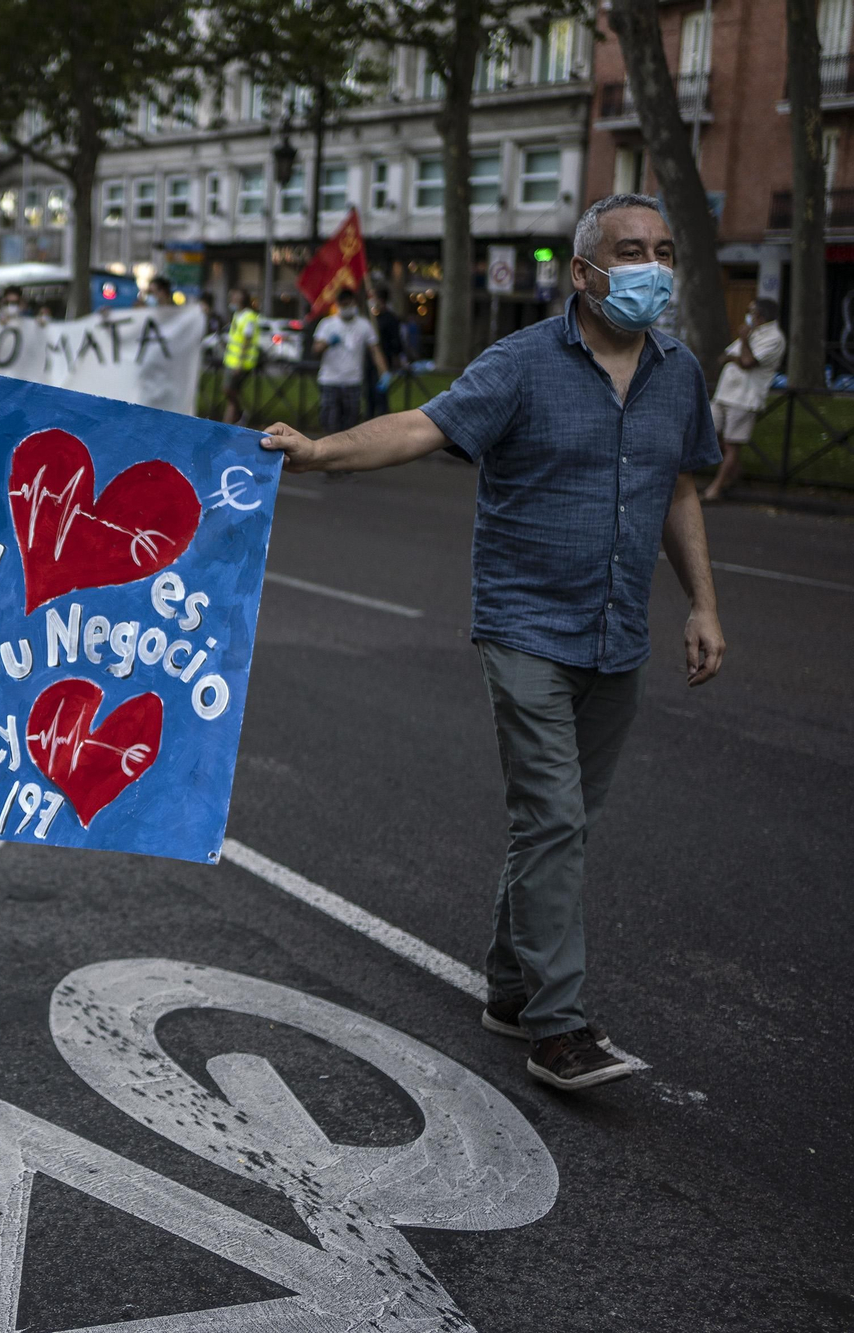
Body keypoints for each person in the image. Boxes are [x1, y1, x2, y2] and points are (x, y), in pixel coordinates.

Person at [259, 193, 725, 1093]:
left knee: (563, 822)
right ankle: (558, 1026)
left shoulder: (680, 372)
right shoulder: (521, 365)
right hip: (526, 628)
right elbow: (420, 427)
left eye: (663, 250)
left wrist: (702, 605)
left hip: (618, 632)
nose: (652, 266)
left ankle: (511, 990)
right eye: (631, 251)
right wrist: (320, 452)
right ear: (584, 273)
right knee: (551, 817)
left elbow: (679, 491)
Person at [700, 298, 787, 503]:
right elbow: (726, 356)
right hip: (724, 394)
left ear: (761, 315)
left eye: (751, 311)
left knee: (732, 444)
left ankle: (716, 488)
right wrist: (737, 354)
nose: (747, 315)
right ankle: (735, 472)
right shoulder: (751, 332)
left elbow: (747, 362)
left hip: (744, 398)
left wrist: (744, 343)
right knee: (709, 434)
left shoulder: (774, 337)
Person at [311, 288, 387, 438]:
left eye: (349, 304)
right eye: (343, 304)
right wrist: (327, 343)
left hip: (353, 380)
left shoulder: (364, 325)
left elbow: (375, 350)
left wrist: (384, 373)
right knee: (329, 424)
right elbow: (315, 349)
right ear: (338, 304)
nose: (347, 308)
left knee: (351, 424)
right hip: (330, 380)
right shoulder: (327, 324)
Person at [221, 288, 261, 424]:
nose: (232, 300)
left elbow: (246, 340)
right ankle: (233, 420)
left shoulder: (248, 316)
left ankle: (236, 418)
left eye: (234, 297)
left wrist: (239, 362)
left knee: (229, 390)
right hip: (232, 361)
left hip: (242, 363)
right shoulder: (238, 315)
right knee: (231, 392)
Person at [367, 289, 405, 417]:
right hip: (370, 361)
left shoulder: (390, 318)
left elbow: (396, 341)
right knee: (369, 392)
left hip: (385, 358)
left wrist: (396, 357)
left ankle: (381, 415)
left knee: (380, 392)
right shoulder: (372, 319)